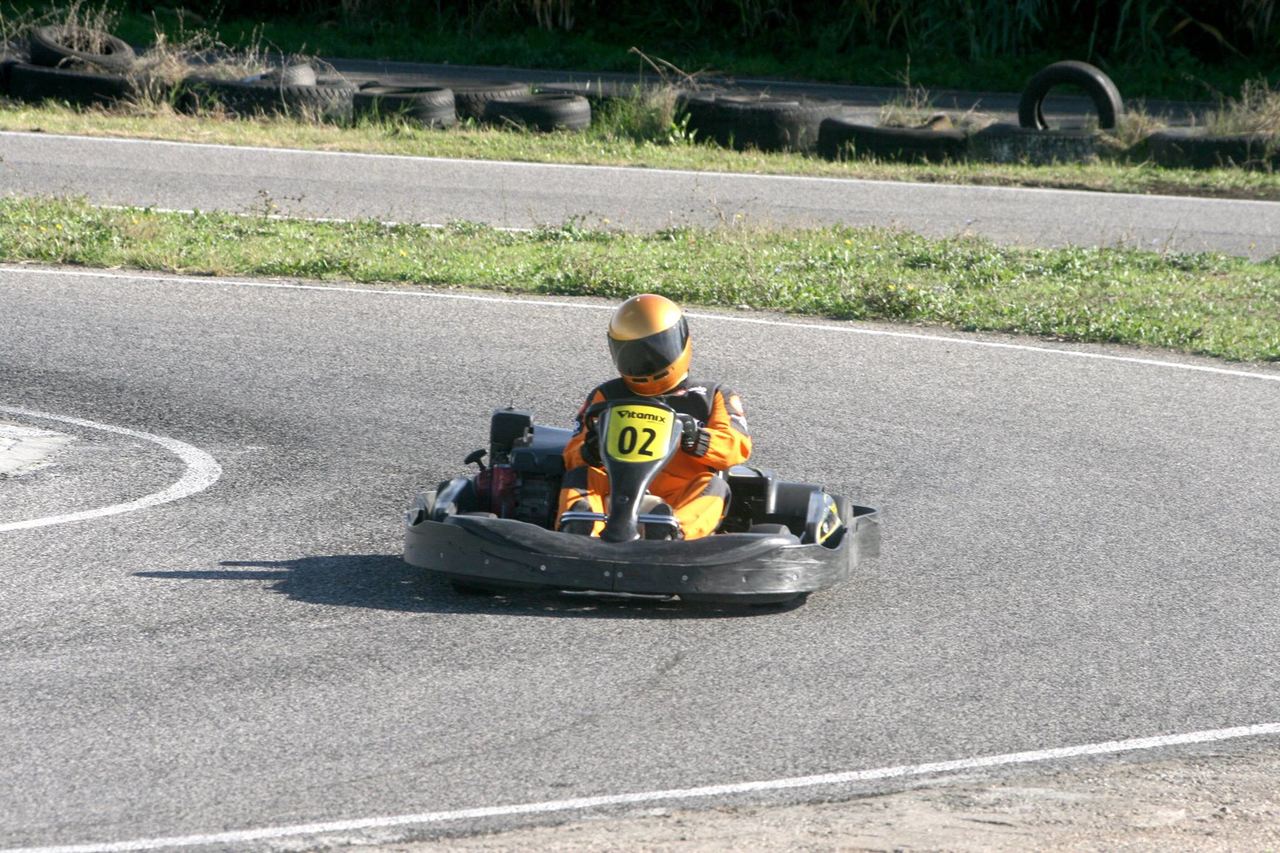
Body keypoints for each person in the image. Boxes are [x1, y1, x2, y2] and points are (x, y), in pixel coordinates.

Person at [557, 293, 751, 540]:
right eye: (634, 354)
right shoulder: (606, 395)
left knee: (712, 486)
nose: (645, 362)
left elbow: (737, 447)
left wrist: (698, 439)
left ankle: (674, 532)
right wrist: (589, 450)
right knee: (583, 476)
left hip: (679, 489)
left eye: (655, 350)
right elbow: (572, 453)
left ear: (680, 341)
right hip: (615, 486)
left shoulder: (711, 396)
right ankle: (581, 528)